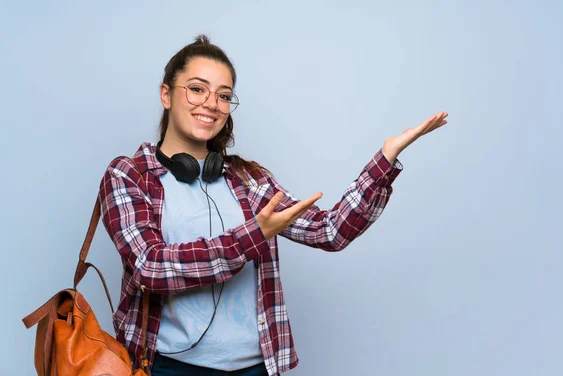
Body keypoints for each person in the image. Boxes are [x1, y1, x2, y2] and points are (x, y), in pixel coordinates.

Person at [98, 34, 448, 376]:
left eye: (223, 95)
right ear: (166, 94)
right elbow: (150, 266)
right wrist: (253, 236)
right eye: (196, 88)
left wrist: (385, 160)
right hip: (165, 367)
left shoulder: (248, 181)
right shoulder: (130, 176)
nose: (210, 103)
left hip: (256, 367)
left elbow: (330, 232)